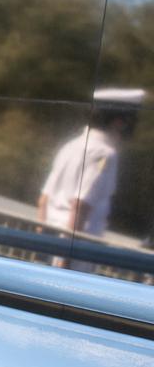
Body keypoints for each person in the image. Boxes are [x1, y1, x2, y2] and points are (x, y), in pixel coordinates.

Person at [38, 88, 144, 265]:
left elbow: (43, 201)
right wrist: (65, 262)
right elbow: (80, 206)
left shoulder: (71, 146)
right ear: (119, 122)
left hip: (48, 244)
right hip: (73, 252)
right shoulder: (104, 154)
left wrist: (38, 249)